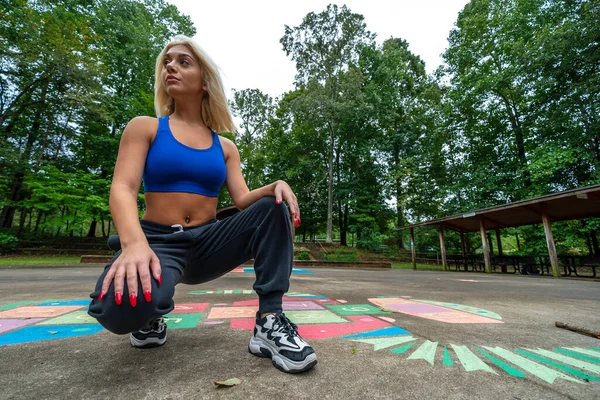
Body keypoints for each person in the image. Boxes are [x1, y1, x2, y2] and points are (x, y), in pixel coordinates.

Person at [87, 35, 317, 374]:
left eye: (183, 62)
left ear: (205, 82)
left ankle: (269, 321)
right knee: (120, 310)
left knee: (273, 206)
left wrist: (273, 187)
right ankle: (150, 317)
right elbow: (122, 187)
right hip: (157, 244)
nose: (170, 67)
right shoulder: (146, 128)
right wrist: (133, 245)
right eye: (167, 62)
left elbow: (242, 201)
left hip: (209, 243)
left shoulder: (224, 147)